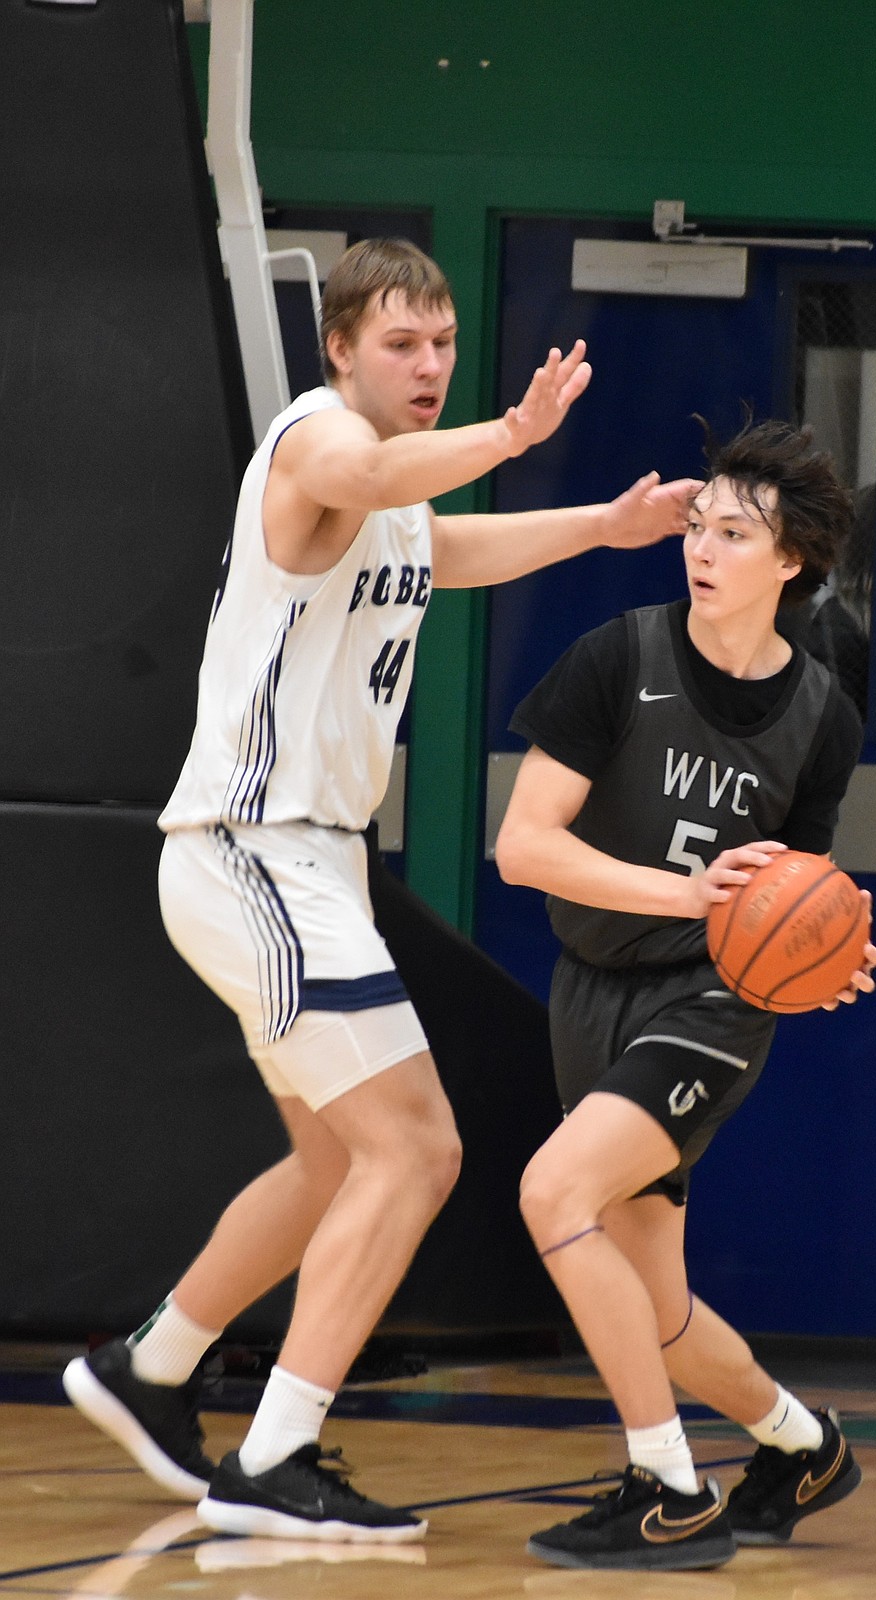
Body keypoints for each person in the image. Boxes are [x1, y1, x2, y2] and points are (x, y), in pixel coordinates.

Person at [62, 238, 700, 1544]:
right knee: (416, 1149)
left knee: (328, 1161)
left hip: (302, 864)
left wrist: (600, 525)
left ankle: (154, 1366)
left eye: (443, 344)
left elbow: (441, 548)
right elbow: (376, 475)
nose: (427, 366)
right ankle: (276, 1450)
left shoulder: (394, 500)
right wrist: (513, 429)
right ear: (339, 348)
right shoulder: (313, 444)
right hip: (257, 849)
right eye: (402, 344)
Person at [495, 418, 876, 1572]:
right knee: (653, 1305)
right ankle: (798, 1442)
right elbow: (523, 848)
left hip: (711, 1006)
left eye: (734, 532)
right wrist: (692, 895)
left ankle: (663, 1483)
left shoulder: (823, 718)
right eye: (697, 526)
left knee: (553, 1191)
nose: (703, 548)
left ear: (795, 561)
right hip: (593, 982)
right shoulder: (617, 656)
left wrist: (830, 951)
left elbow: (794, 897)